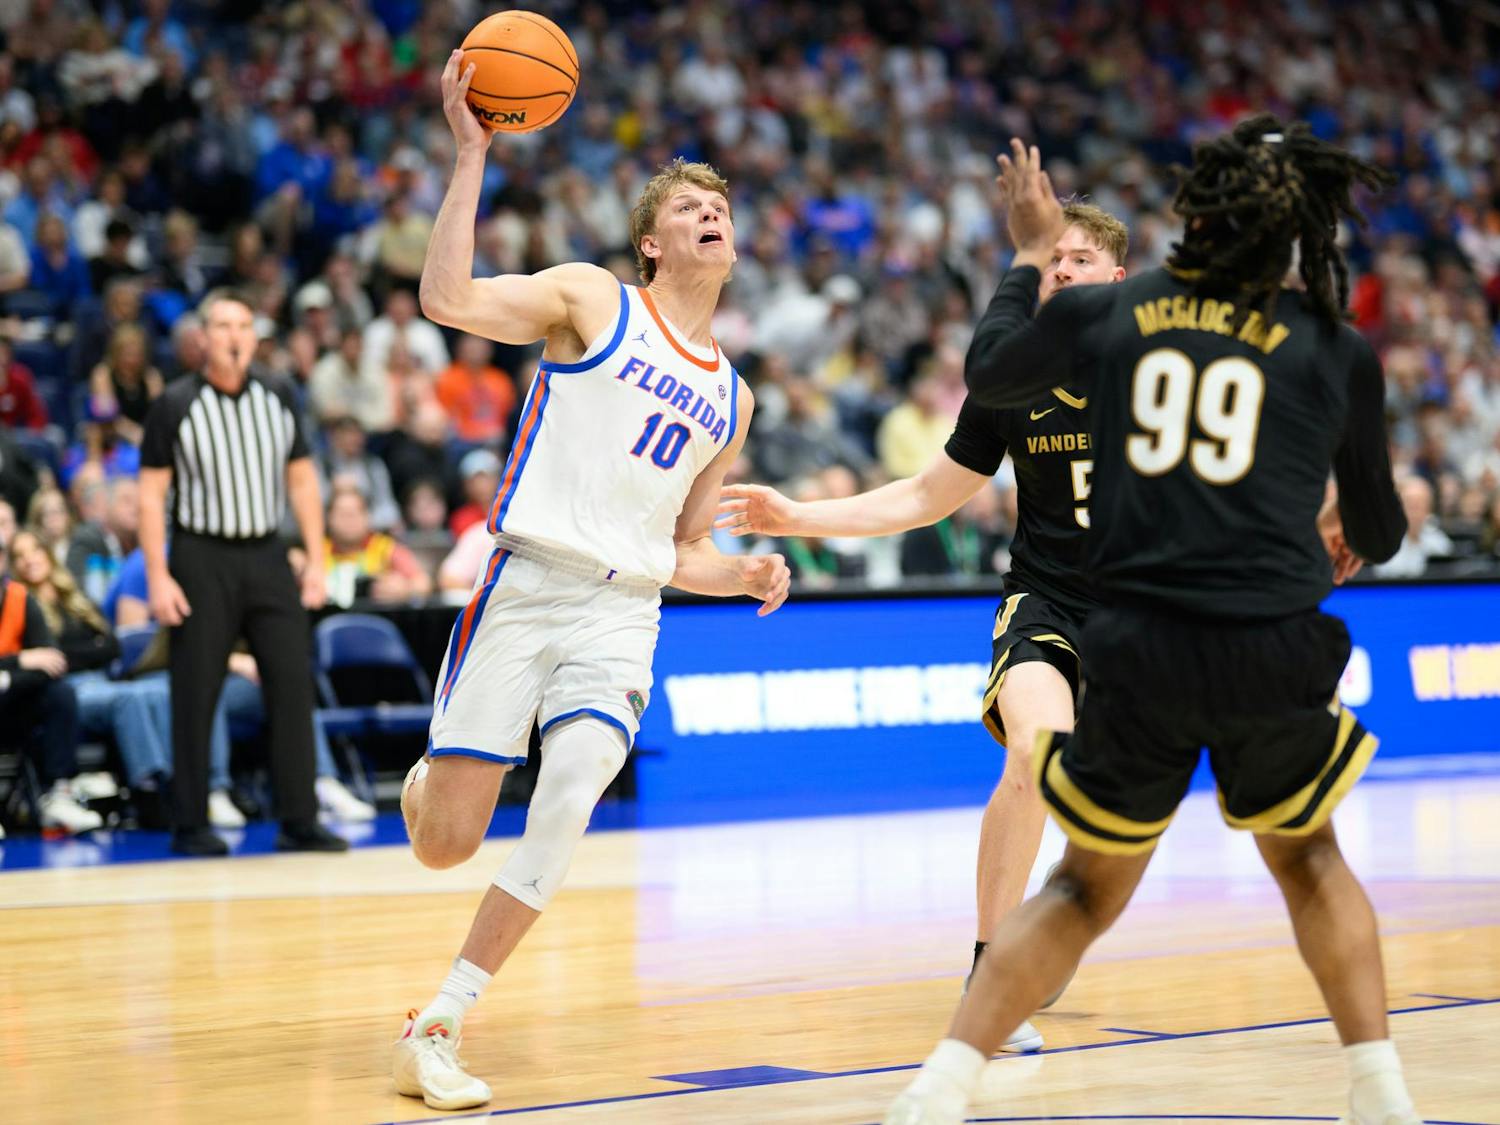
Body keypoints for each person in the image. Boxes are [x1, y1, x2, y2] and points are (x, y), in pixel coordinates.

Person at [884, 122, 1415, 1125]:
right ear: (1300, 234)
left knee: (1084, 889)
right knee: (1311, 860)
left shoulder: (1124, 312)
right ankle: (1381, 1093)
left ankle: (939, 1090)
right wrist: (1341, 531)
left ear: (1197, 217)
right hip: (1267, 633)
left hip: (1138, 642)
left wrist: (1031, 252)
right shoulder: (1337, 349)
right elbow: (1379, 531)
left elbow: (993, 372)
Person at [390, 51, 791, 1112]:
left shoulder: (732, 397)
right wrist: (471, 156)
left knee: (569, 798)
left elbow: (681, 547)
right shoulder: (590, 300)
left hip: (624, 612)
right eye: (692, 208)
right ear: (653, 241)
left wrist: (739, 571)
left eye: (723, 207)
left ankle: (440, 1021)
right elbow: (445, 297)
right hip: (524, 588)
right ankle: (429, 783)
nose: (714, 216)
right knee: (445, 844)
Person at [720, 201, 1130, 1052]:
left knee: (1110, 824)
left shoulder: (1166, 366)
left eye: (1080, 259)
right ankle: (992, 971)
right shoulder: (1012, 378)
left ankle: (1056, 915)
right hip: (1046, 604)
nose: (1059, 270)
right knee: (1032, 750)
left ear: (1117, 279)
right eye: (1050, 259)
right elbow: (924, 495)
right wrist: (799, 515)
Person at [138, 288, 349, 857]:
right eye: (221, 325)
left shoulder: (280, 394)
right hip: (200, 555)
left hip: (266, 553)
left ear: (255, 337)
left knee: (290, 682)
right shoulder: (176, 402)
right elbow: (151, 494)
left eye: (242, 325)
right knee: (196, 687)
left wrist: (316, 561)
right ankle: (190, 823)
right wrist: (158, 574)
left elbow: (302, 480)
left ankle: (299, 819)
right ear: (202, 338)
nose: (233, 335)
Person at [7, 529, 174, 828]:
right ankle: (148, 793)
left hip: (102, 681)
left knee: (158, 693)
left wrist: (81, 653)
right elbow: (54, 659)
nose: (30, 560)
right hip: (70, 689)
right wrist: (90, 650)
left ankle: (178, 783)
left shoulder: (73, 597)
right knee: (130, 699)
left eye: (34, 550)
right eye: (19, 556)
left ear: (47, 553)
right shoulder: (22, 603)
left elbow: (112, 646)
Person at [0, 535, 100, 834]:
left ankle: (58, 793)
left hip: (11, 704)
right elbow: (32, 660)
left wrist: (6, 677)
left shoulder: (20, 599)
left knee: (59, 693)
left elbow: (50, 663)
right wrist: (19, 662)